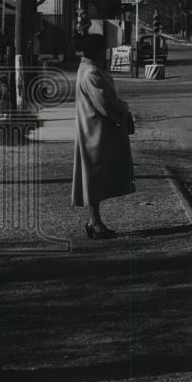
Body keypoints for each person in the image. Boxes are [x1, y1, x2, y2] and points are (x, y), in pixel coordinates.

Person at [71, 33, 135, 238]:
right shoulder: (91, 73)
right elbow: (104, 104)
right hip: (95, 131)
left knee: (95, 176)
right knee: (95, 177)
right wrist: (124, 112)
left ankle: (94, 221)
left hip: (94, 129)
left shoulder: (90, 70)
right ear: (98, 50)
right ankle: (95, 222)